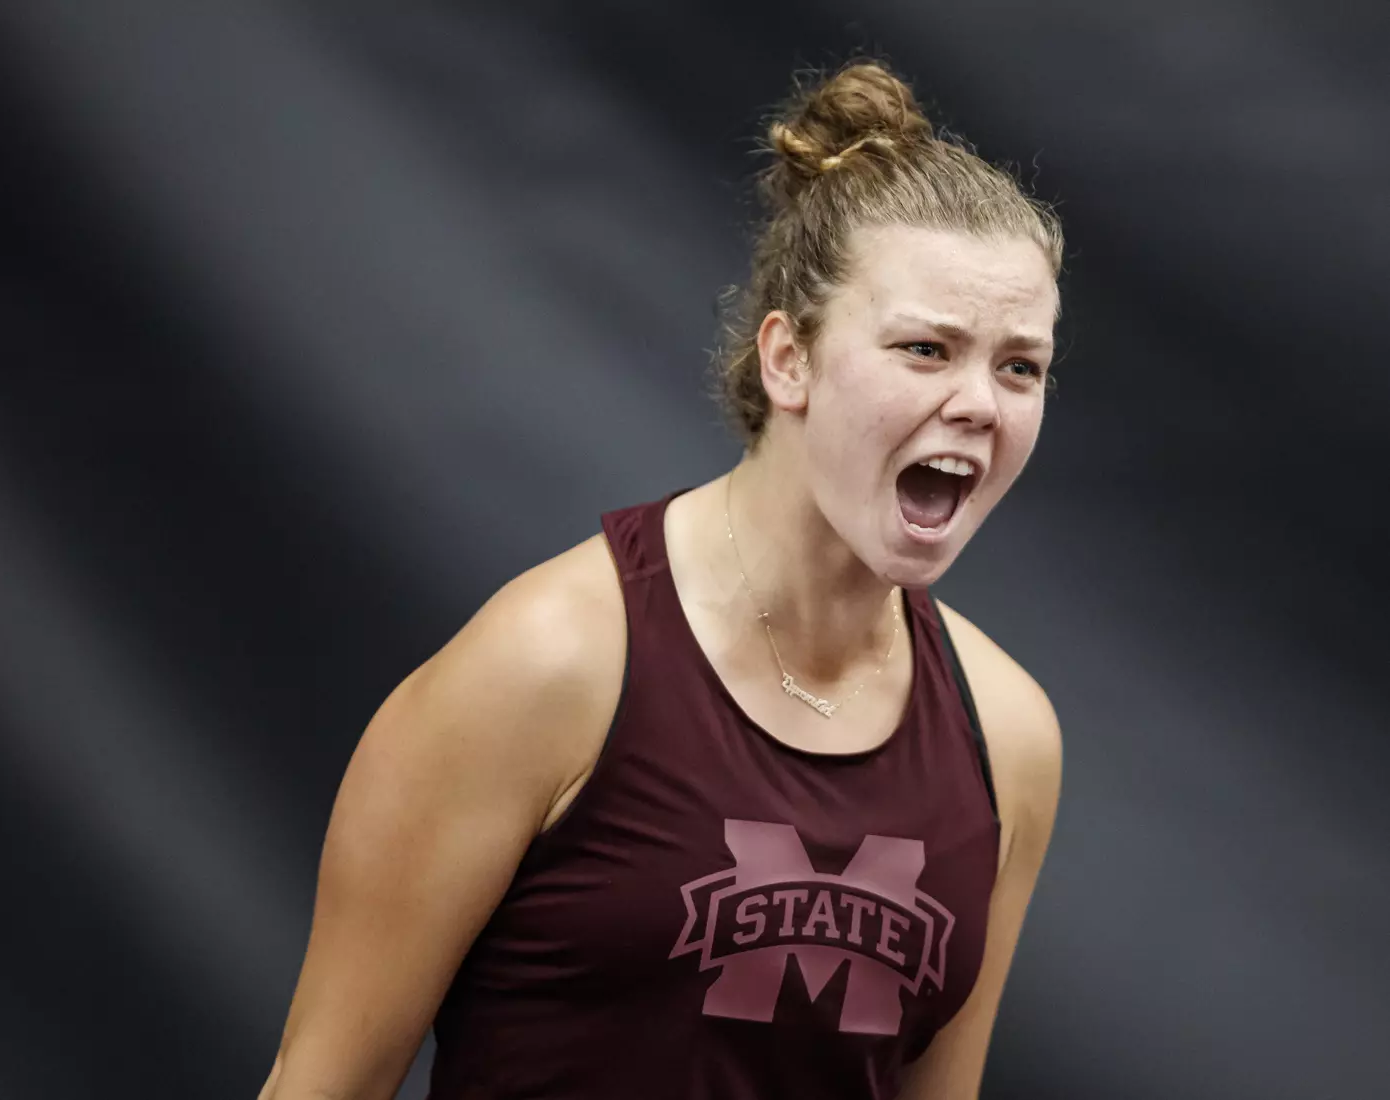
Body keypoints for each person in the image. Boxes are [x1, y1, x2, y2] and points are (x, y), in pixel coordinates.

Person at [261, 58, 1064, 1100]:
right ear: (790, 361)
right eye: (926, 348)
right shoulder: (550, 662)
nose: (979, 404)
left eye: (1019, 366)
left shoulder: (1007, 738)